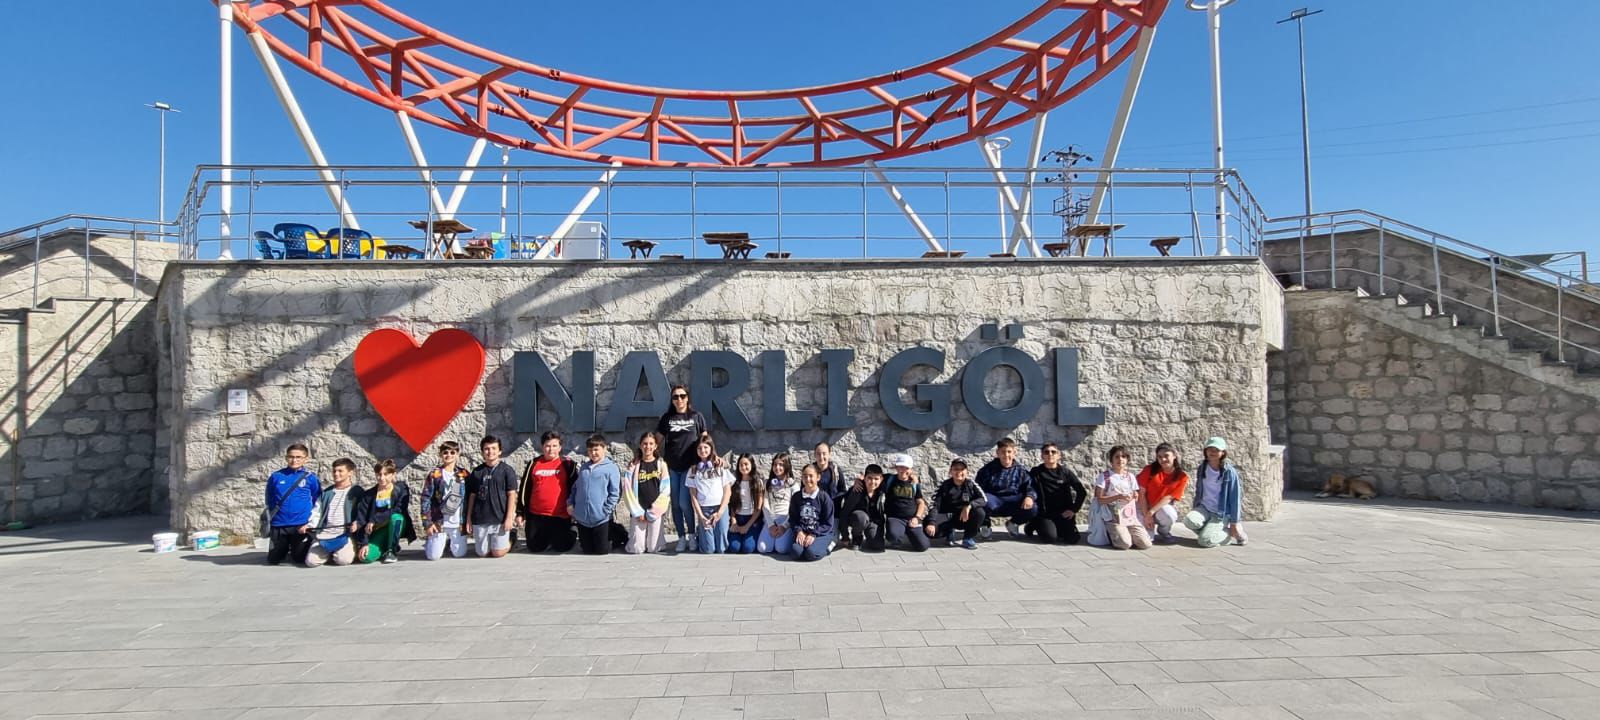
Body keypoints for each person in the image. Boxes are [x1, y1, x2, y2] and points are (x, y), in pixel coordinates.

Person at [657, 385, 709, 552]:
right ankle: (681, 537)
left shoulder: (696, 416)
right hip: (671, 467)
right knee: (675, 505)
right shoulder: (667, 418)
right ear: (672, 400)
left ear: (687, 398)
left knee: (684, 503)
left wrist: (712, 458)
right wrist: (641, 456)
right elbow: (656, 441)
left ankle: (692, 535)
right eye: (675, 397)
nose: (679, 399)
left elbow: (705, 441)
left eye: (682, 396)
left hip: (690, 467)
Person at [1185, 437, 1249, 547]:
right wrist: (1196, 506)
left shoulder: (1229, 472)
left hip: (1220, 513)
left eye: (1216, 450)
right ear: (1205, 451)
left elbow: (1235, 499)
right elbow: (1199, 490)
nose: (1212, 452)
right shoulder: (1202, 468)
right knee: (1189, 520)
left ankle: (1228, 534)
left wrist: (1234, 522)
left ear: (1223, 452)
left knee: (1204, 541)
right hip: (1204, 508)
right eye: (1210, 449)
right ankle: (1212, 534)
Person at [519, 431, 577, 553]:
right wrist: (520, 513)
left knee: (562, 547)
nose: (551, 449)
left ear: (560, 447)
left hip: (560, 515)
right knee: (535, 548)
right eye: (547, 446)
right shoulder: (534, 463)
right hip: (536, 515)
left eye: (554, 446)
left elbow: (575, 488)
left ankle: (573, 530)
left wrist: (574, 508)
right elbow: (524, 489)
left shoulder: (567, 464)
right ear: (542, 447)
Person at [264, 443, 321, 566]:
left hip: (300, 525)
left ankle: (296, 548)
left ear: (305, 459)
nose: (294, 460)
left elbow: (317, 500)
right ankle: (284, 548)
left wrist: (310, 522)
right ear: (286, 458)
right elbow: (269, 497)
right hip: (279, 524)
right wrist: (272, 517)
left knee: (299, 559)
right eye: (291, 457)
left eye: (298, 457)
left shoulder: (311, 478)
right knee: (273, 560)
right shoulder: (276, 476)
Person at [464, 435, 519, 558]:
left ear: (500, 451)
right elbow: (472, 496)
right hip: (480, 518)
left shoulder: (507, 470)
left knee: (497, 553)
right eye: (487, 449)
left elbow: (512, 494)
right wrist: (468, 518)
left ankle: (511, 538)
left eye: (494, 448)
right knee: (482, 553)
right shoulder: (477, 472)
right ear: (482, 452)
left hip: (499, 518)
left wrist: (509, 517)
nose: (490, 452)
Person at [354, 458, 415, 564]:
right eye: (379, 474)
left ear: (393, 474)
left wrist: (374, 520)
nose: (382, 478)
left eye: (386, 474)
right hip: (377, 531)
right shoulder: (369, 495)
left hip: (395, 526)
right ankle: (383, 548)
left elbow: (398, 509)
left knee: (396, 517)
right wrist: (364, 543)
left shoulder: (401, 489)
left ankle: (392, 551)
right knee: (366, 557)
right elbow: (362, 519)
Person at [974, 437, 1037, 539]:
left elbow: (1030, 487)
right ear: (998, 453)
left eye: (1009, 452)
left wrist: (1029, 497)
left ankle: (1013, 523)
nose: (1006, 455)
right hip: (994, 500)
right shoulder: (987, 470)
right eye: (1003, 452)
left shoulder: (1021, 471)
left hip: (1013, 501)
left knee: (1033, 507)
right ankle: (985, 525)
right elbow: (978, 489)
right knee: (981, 501)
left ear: (1014, 452)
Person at [568, 434, 622, 555]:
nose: (593, 453)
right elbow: (576, 488)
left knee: (602, 551)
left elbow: (615, 493)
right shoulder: (584, 468)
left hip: (601, 518)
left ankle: (618, 532)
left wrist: (605, 510)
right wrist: (570, 503)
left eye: (596, 449)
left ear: (604, 448)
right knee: (587, 550)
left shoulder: (611, 468)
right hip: (583, 518)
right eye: (590, 450)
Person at [1091, 445, 1150, 550]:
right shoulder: (1105, 476)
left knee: (1145, 544)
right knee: (1124, 544)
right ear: (1111, 460)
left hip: (1129, 515)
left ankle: (1128, 534)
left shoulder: (1130, 477)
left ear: (1127, 459)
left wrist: (1135, 496)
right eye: (1117, 457)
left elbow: (1135, 495)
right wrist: (1118, 497)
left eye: (1123, 456)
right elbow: (1099, 499)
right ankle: (1112, 534)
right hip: (1113, 515)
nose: (1120, 459)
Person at [305, 457, 360, 568]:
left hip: (345, 534)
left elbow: (363, 512)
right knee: (311, 562)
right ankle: (328, 553)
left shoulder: (357, 492)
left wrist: (357, 522)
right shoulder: (326, 493)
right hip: (324, 534)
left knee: (343, 560)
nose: (336, 474)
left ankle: (341, 551)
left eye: (340, 471)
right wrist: (310, 526)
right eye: (334, 471)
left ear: (350, 473)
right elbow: (317, 512)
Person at [621, 431, 671, 554]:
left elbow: (665, 491)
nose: (648, 446)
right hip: (638, 511)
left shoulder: (661, 465)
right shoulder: (633, 465)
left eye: (651, 444)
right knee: (636, 549)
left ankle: (656, 539)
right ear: (640, 445)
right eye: (645, 443)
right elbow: (627, 490)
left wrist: (653, 512)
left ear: (655, 446)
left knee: (654, 548)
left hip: (655, 512)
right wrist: (637, 512)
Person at [421, 441, 471, 560]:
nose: (449, 455)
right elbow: (426, 498)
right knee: (433, 556)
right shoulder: (435, 474)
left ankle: (449, 543)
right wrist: (427, 522)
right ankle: (432, 542)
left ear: (457, 454)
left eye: (452, 452)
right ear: (440, 454)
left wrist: (469, 520)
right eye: (445, 452)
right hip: (440, 520)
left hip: (457, 521)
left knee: (459, 554)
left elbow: (470, 497)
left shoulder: (464, 474)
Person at [1028, 442, 1087, 545]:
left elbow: (1081, 492)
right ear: (1042, 456)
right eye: (1046, 452)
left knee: (1072, 539)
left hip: (1063, 513)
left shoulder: (1066, 473)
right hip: (1045, 514)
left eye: (1053, 452)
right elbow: (1027, 487)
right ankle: (1032, 525)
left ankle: (1056, 528)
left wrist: (1073, 509)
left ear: (1059, 455)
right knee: (1050, 538)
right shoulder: (1036, 472)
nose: (1050, 454)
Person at [686, 434, 734, 554]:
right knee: (708, 550)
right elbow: (693, 495)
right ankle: (701, 533)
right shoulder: (693, 470)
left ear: (711, 448)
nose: (703, 450)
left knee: (721, 549)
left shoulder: (720, 465)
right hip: (704, 509)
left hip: (720, 508)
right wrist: (701, 516)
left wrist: (720, 512)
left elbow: (727, 491)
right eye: (699, 448)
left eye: (706, 447)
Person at [926, 458, 987, 549]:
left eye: (962, 469)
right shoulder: (944, 485)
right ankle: (949, 531)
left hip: (964, 517)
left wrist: (969, 506)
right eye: (956, 469)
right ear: (950, 471)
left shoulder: (971, 484)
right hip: (947, 517)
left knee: (980, 512)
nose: (959, 472)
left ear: (967, 472)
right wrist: (931, 522)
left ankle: (968, 538)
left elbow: (984, 499)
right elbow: (934, 505)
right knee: (929, 531)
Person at [1137, 443, 1190, 545]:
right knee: (1146, 541)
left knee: (1169, 514)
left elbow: (1169, 498)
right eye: (1160, 457)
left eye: (1166, 456)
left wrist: (1151, 512)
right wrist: (1146, 514)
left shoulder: (1181, 476)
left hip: (1159, 508)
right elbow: (1141, 493)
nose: (1163, 459)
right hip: (1142, 507)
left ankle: (1163, 532)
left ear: (1174, 456)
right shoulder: (1149, 470)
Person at [786, 463, 835, 562]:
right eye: (805, 476)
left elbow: (828, 523)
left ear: (818, 477)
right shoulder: (796, 497)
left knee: (810, 554)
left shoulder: (824, 498)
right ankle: (809, 548)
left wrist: (813, 534)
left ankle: (829, 546)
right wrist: (799, 531)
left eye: (811, 476)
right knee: (796, 552)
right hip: (803, 532)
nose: (808, 479)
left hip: (820, 533)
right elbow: (793, 519)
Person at [883, 454, 931, 552]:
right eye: (900, 467)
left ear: (910, 469)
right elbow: (871, 476)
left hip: (912, 519)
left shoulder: (914, 483)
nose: (903, 470)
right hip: (895, 518)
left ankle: (909, 534)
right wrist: (859, 480)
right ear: (896, 468)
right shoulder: (889, 479)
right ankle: (897, 536)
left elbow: (921, 502)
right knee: (893, 535)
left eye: (906, 468)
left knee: (923, 546)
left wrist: (917, 518)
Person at [841, 463, 888, 552]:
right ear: (865, 478)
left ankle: (870, 536)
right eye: (869, 478)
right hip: (857, 519)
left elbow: (898, 475)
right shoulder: (857, 491)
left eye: (876, 479)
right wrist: (845, 537)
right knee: (860, 517)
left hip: (873, 521)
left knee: (878, 546)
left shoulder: (882, 488)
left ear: (881, 479)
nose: (873, 482)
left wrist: (912, 476)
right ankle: (857, 538)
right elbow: (844, 513)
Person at [725, 453, 766, 554]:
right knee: (734, 548)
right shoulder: (734, 482)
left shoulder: (757, 482)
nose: (743, 467)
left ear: (752, 465)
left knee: (748, 548)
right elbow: (732, 504)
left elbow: (758, 508)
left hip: (752, 519)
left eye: (746, 464)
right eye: (741, 465)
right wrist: (733, 521)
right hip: (738, 518)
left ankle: (750, 536)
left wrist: (747, 526)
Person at [759, 453, 798, 555]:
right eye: (775, 464)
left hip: (786, 520)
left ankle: (781, 540)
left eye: (781, 465)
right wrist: (770, 525)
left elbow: (794, 509)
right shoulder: (768, 484)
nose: (777, 467)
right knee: (762, 548)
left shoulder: (793, 485)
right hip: (771, 520)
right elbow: (765, 505)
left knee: (781, 549)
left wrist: (784, 526)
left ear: (787, 466)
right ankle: (773, 540)